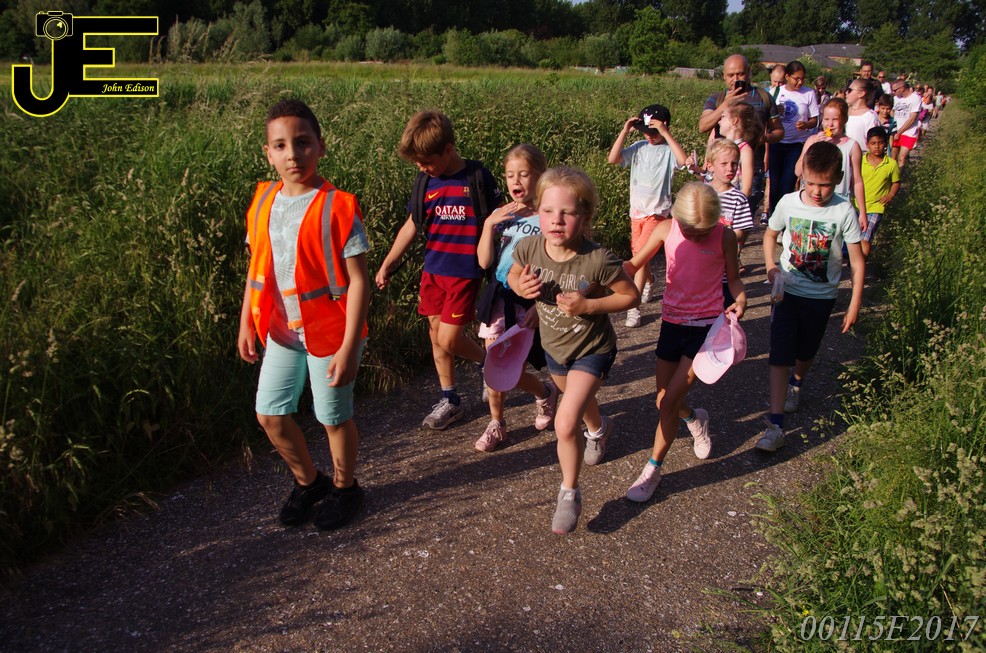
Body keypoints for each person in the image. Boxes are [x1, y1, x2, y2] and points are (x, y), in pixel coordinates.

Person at [238, 99, 371, 530]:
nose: (292, 154)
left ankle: (345, 488)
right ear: (268, 153)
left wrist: (348, 348)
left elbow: (359, 282)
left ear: (321, 146)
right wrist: (246, 321)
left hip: (330, 333)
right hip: (281, 331)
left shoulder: (338, 207)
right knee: (270, 414)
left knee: (332, 417)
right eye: (280, 145)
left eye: (303, 142)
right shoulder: (263, 200)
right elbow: (257, 267)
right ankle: (309, 482)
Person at [509, 166, 640, 534]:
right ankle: (599, 429)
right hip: (555, 349)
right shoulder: (529, 247)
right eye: (548, 210)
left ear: (584, 217)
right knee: (579, 404)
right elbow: (514, 274)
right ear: (537, 210)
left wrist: (589, 306)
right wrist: (521, 288)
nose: (556, 220)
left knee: (565, 422)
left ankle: (569, 492)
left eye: (567, 212)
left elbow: (630, 295)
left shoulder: (597, 259)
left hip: (592, 348)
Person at [375, 111, 502, 430]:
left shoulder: (477, 177)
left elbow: (498, 220)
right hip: (433, 271)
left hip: (465, 273)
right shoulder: (425, 182)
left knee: (448, 339)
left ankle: (490, 363)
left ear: (448, 149)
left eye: (426, 162)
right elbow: (412, 225)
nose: (422, 168)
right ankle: (451, 399)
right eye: (418, 163)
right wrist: (388, 263)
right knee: (435, 337)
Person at [623, 182, 746, 501]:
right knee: (662, 401)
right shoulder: (665, 229)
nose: (695, 237)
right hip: (671, 325)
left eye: (702, 232)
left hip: (705, 331)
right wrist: (597, 275)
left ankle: (652, 470)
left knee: (667, 404)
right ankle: (694, 418)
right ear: (678, 217)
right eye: (690, 231)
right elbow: (633, 265)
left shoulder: (725, 237)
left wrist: (741, 299)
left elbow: (733, 278)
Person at [756, 141, 865, 452]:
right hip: (786, 293)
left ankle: (798, 381)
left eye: (825, 185)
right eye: (812, 183)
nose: (817, 191)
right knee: (779, 354)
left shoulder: (843, 210)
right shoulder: (788, 203)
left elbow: (857, 261)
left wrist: (854, 302)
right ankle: (775, 425)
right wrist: (770, 266)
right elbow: (770, 234)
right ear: (802, 174)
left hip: (821, 297)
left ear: (839, 178)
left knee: (806, 351)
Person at [474, 144, 557, 452]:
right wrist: (489, 224)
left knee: (513, 365)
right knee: (493, 363)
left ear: (541, 175)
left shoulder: (549, 216)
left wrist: (541, 304)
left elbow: (557, 265)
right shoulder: (503, 215)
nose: (515, 181)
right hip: (498, 297)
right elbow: (485, 261)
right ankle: (497, 423)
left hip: (529, 298)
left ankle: (544, 392)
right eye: (510, 175)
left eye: (523, 174)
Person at [608, 104, 688, 328]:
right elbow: (613, 159)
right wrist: (625, 131)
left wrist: (665, 133)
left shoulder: (669, 151)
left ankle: (633, 306)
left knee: (639, 257)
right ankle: (649, 282)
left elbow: (683, 161)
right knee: (640, 255)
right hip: (637, 212)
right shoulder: (638, 147)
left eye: (653, 132)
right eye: (646, 131)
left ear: (665, 128)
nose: (649, 136)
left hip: (657, 213)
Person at [699, 54, 783, 227]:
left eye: (740, 74)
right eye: (731, 75)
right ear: (724, 76)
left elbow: (779, 131)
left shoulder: (763, 97)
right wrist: (725, 105)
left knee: (741, 222)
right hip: (721, 168)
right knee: (714, 220)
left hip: (753, 167)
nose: (736, 79)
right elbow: (703, 126)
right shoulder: (717, 99)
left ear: (749, 73)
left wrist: (764, 138)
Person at [794, 98, 867, 233]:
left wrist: (862, 212)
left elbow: (857, 181)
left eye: (835, 119)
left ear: (844, 120)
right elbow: (798, 172)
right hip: (812, 200)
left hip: (839, 202)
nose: (830, 124)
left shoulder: (852, 146)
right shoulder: (812, 140)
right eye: (826, 119)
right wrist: (813, 146)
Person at [768, 61, 819, 218]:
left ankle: (785, 219)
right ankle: (774, 217)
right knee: (774, 185)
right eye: (797, 78)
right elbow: (766, 117)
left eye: (802, 79)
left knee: (787, 184)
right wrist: (775, 112)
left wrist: (806, 124)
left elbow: (815, 120)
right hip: (776, 143)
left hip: (796, 145)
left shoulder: (809, 93)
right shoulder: (775, 92)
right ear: (787, 76)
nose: (800, 82)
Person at [705, 138, 755, 267]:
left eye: (734, 164)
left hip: (724, 257)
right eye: (724, 163)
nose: (730, 168)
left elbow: (740, 232)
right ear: (710, 166)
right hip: (700, 255)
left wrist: (718, 237)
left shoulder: (739, 198)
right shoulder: (701, 193)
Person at [859, 126, 900, 257]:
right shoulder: (859, 161)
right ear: (867, 144)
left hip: (876, 207)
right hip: (856, 205)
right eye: (873, 143)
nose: (877, 147)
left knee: (865, 238)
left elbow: (896, 182)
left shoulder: (891, 164)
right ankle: (854, 261)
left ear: (886, 143)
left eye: (880, 143)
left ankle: (860, 264)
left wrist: (890, 195)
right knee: (854, 237)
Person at [717, 101, 763, 206]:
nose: (719, 121)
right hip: (714, 203)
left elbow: (747, 188)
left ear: (734, 121)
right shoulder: (718, 147)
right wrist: (695, 169)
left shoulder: (744, 150)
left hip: (731, 205)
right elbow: (708, 176)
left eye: (723, 117)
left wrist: (734, 207)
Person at [891, 80, 922, 169]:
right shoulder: (896, 98)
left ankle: (900, 176)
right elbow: (892, 111)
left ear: (902, 88)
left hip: (909, 132)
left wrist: (899, 132)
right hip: (896, 130)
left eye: (895, 90)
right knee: (893, 158)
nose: (893, 92)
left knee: (901, 158)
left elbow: (912, 119)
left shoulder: (915, 98)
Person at [844, 78, 880, 153]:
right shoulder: (843, 111)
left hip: (862, 157)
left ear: (861, 94)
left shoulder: (870, 116)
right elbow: (830, 129)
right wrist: (826, 134)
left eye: (850, 90)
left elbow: (875, 141)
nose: (846, 92)